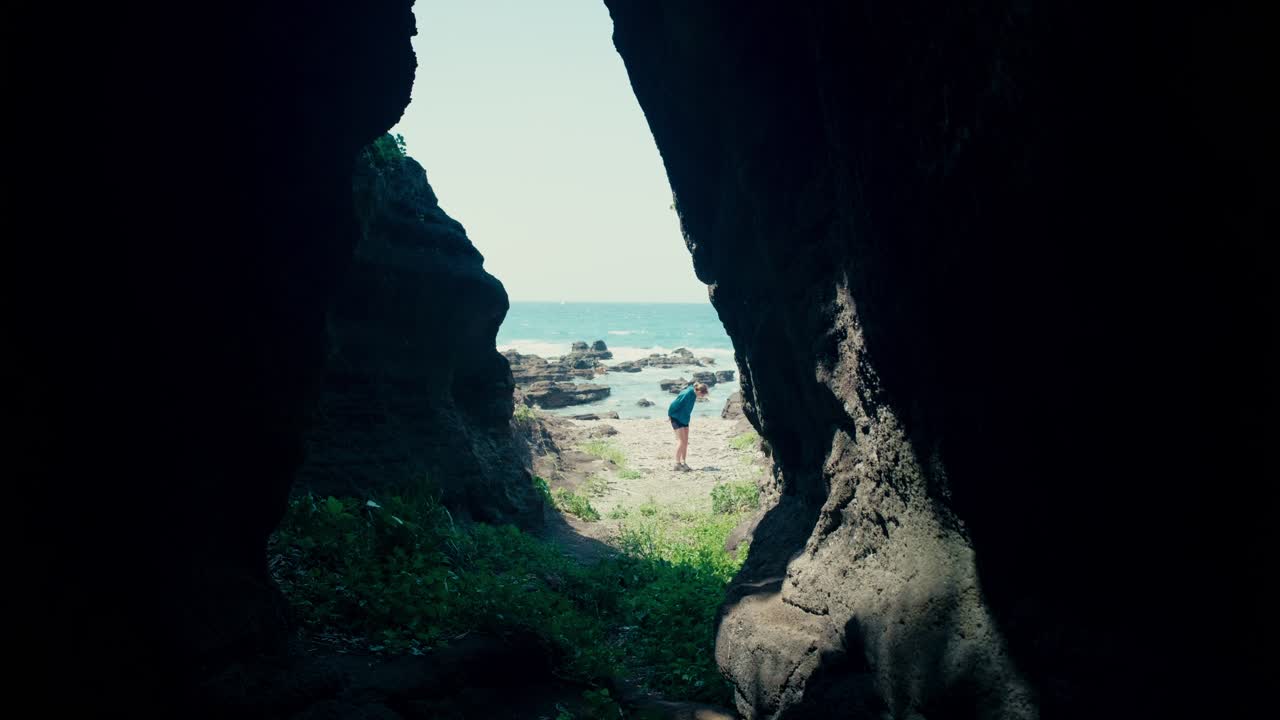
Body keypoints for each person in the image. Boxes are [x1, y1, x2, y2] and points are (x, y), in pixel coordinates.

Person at [667, 382, 709, 471]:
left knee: (685, 442)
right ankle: (677, 464)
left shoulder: (694, 394)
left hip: (685, 419)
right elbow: (674, 404)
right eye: (702, 394)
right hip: (676, 418)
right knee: (681, 441)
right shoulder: (686, 393)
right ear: (698, 391)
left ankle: (684, 462)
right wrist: (670, 415)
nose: (702, 396)